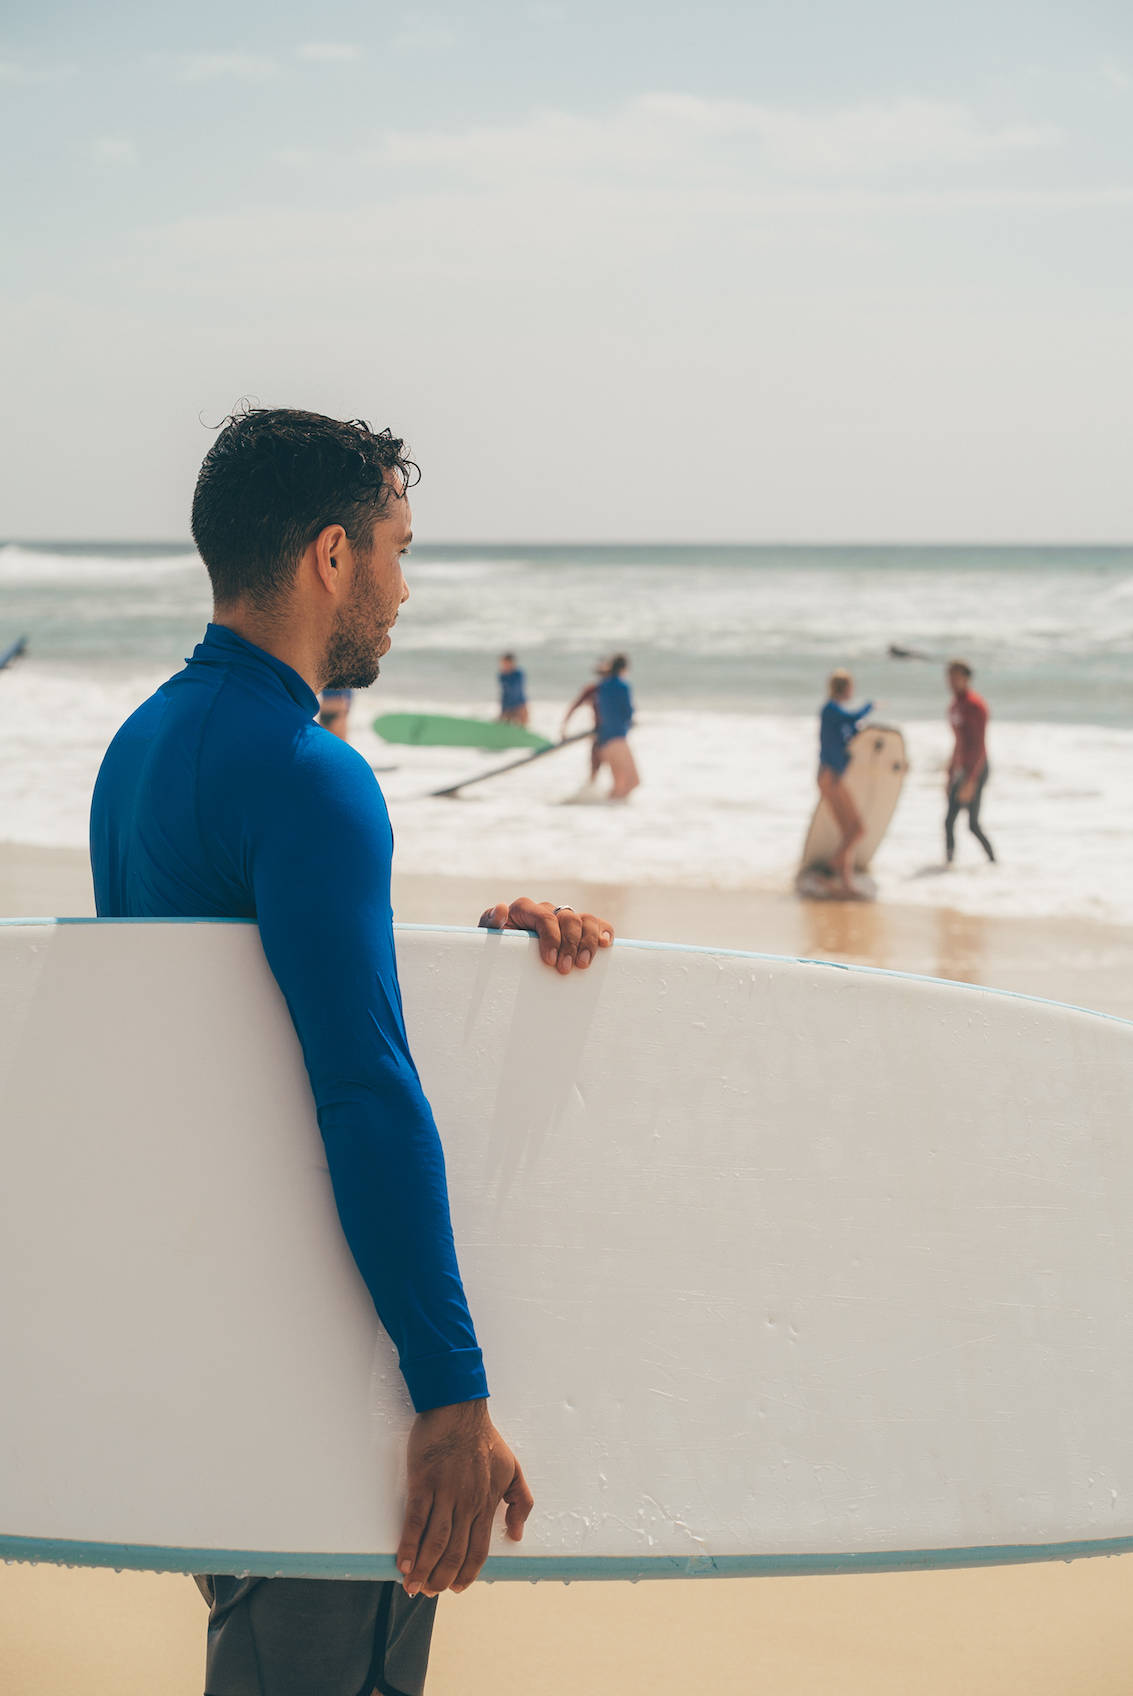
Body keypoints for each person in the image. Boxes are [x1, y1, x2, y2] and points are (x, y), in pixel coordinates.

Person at [89, 407, 615, 1696]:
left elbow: (246, 1026)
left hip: (215, 1338)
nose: (402, 584)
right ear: (332, 556)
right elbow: (356, 1086)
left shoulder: (142, 749)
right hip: (323, 1348)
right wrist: (449, 1391)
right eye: (395, 546)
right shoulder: (307, 773)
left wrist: (468, 971)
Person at [816, 669, 873, 897]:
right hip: (831, 776)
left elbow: (849, 732)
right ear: (844, 688)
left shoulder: (833, 713)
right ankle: (829, 871)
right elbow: (852, 718)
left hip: (829, 776)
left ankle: (845, 885)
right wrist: (871, 706)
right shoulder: (831, 709)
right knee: (857, 830)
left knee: (848, 831)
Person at [945, 658, 996, 864]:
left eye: (957, 677)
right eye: (950, 676)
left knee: (972, 824)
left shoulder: (975, 705)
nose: (952, 681)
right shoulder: (955, 705)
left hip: (977, 767)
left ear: (967, 678)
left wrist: (971, 780)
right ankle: (948, 866)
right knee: (949, 821)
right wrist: (950, 772)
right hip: (961, 769)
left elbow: (979, 745)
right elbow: (958, 742)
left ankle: (994, 862)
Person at [594, 654, 640, 800]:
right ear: (624, 668)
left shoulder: (603, 686)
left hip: (604, 740)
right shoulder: (623, 685)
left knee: (619, 786)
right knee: (632, 782)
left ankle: (608, 814)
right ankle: (615, 816)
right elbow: (628, 712)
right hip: (617, 738)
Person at [561, 658, 608, 785]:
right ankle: (595, 797)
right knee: (595, 769)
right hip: (599, 733)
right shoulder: (593, 689)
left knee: (609, 770)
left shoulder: (613, 689)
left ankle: (609, 799)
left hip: (609, 734)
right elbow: (574, 707)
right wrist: (564, 728)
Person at [496, 653, 529, 726]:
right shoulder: (502, 675)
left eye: (505, 663)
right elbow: (504, 693)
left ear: (511, 663)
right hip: (506, 705)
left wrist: (513, 709)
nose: (503, 665)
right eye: (502, 663)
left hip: (519, 705)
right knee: (503, 726)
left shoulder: (518, 674)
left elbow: (516, 691)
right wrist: (503, 709)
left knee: (522, 727)